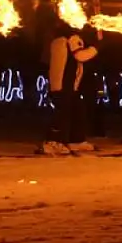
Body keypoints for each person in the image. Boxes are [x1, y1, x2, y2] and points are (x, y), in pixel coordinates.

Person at [42, 23, 98, 154]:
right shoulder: (71, 38)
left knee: (78, 110)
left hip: (61, 84)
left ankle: (76, 140)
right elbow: (80, 56)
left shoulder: (57, 40)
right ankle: (53, 142)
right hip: (65, 83)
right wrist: (97, 47)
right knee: (63, 114)